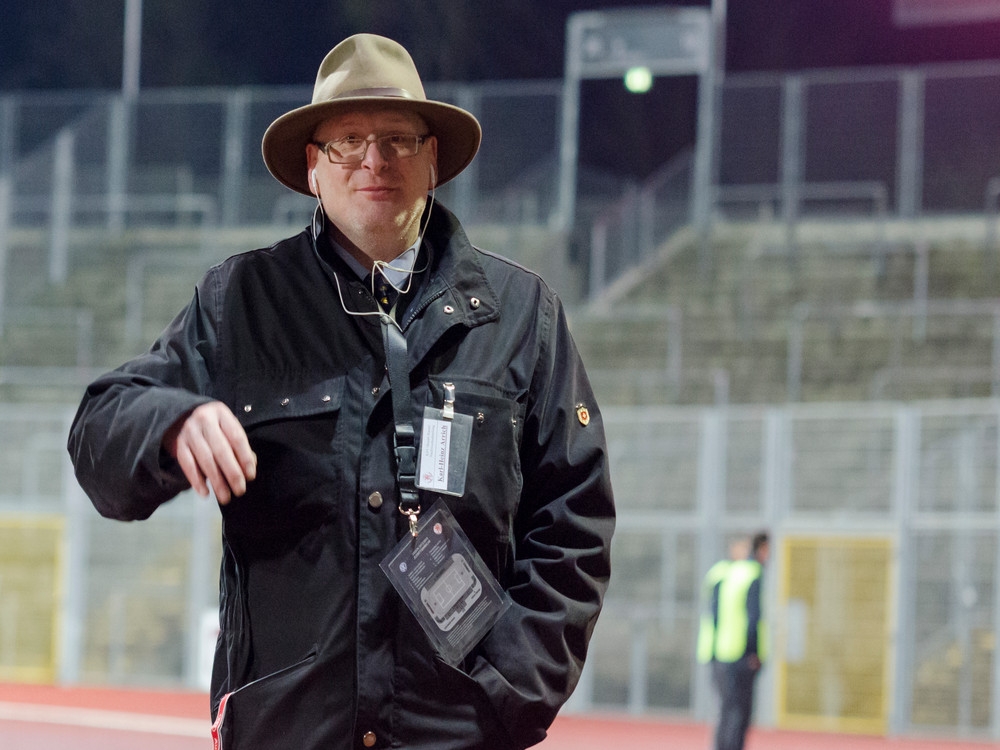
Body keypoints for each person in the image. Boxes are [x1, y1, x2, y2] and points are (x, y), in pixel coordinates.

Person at [67, 34, 615, 750]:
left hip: (458, 734)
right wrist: (171, 420)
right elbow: (99, 434)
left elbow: (575, 517)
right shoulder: (242, 302)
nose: (374, 161)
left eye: (397, 139)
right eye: (348, 141)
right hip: (288, 729)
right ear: (313, 167)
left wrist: (513, 685)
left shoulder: (521, 314)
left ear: (432, 158)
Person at [711, 531, 770, 750]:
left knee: (727, 710)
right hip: (740, 653)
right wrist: (754, 652)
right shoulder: (750, 573)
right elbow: (753, 617)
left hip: (721, 651)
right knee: (739, 712)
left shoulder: (723, 573)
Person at [696, 535, 751, 690]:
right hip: (723, 648)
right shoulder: (727, 574)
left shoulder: (727, 573)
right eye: (743, 548)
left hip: (727, 648)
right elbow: (715, 612)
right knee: (728, 698)